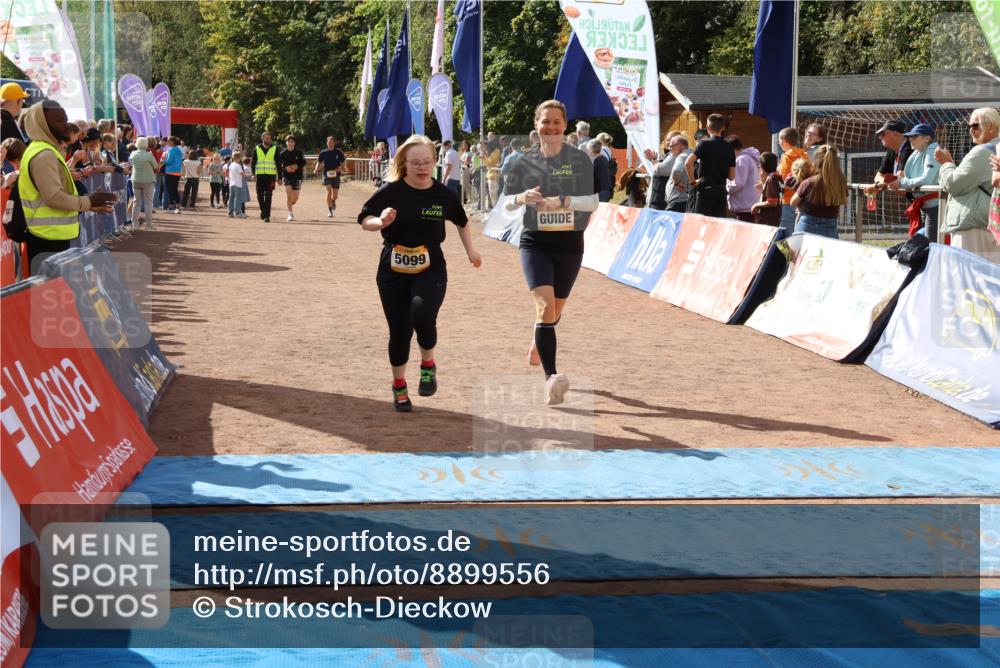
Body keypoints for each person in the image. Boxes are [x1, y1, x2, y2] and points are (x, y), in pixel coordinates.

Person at [357, 135, 482, 412]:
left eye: (427, 162)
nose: (423, 167)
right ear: (404, 163)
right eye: (416, 163)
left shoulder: (443, 194)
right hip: (393, 267)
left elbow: (462, 221)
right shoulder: (391, 191)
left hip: (430, 265)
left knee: (422, 314)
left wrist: (470, 251)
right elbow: (364, 218)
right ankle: (399, 385)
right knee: (399, 331)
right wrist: (381, 221)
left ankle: (428, 365)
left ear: (434, 162)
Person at [506, 100, 598, 405]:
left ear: (565, 125)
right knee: (545, 309)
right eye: (546, 121)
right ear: (536, 124)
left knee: (554, 313)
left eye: (557, 122)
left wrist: (563, 201)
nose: (551, 127)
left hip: (570, 246)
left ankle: (538, 337)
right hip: (536, 244)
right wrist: (522, 197)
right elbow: (506, 202)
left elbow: (593, 203)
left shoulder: (580, 160)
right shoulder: (522, 162)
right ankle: (551, 379)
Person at [17, 100, 116, 269]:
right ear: (42, 124)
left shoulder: (44, 150)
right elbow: (53, 197)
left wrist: (88, 204)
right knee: (48, 292)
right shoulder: (44, 154)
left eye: (65, 119)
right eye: (59, 121)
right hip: (46, 237)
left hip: (49, 235)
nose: (65, 125)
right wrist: (88, 202)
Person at [935, 107, 1000, 261]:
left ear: (991, 126)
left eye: (975, 126)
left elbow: (953, 184)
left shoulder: (982, 152)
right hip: (988, 224)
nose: (971, 130)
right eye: (969, 126)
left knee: (969, 277)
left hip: (974, 228)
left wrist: (945, 164)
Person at [886, 123, 940, 237]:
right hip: (925, 205)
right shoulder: (918, 152)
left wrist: (902, 182)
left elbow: (927, 179)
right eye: (909, 137)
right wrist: (897, 181)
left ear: (927, 138)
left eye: (915, 136)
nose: (910, 139)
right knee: (922, 243)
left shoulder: (933, 151)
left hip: (936, 207)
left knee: (931, 245)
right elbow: (908, 176)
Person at [789, 145, 848, 239]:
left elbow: (793, 202)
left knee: (803, 253)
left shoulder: (809, 183)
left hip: (807, 226)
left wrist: (802, 206)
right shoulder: (841, 183)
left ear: (817, 161)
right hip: (830, 227)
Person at [685, 113, 736, 217]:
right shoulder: (729, 147)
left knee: (702, 225)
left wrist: (693, 182)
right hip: (721, 191)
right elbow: (731, 176)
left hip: (705, 190)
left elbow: (688, 163)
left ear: (707, 128)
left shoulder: (703, 144)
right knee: (718, 225)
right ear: (723, 128)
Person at [775, 127, 809, 232]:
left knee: (786, 233)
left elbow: (785, 179)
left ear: (784, 141)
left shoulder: (786, 156)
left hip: (789, 198)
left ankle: (784, 249)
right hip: (803, 199)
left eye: (779, 141)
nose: (779, 143)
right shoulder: (804, 154)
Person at [725, 135, 761, 222]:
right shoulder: (750, 157)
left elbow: (738, 182)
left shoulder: (740, 159)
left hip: (744, 204)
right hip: (751, 202)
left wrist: (726, 188)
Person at [129, 137, 159, 229]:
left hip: (135, 180)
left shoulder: (133, 154)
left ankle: (135, 224)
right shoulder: (148, 155)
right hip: (148, 180)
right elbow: (155, 166)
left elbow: (131, 164)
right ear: (146, 144)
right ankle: (148, 225)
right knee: (148, 203)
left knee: (136, 202)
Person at [315, 136, 346, 217]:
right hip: (326, 174)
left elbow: (343, 162)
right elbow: (319, 162)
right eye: (329, 142)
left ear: (334, 143)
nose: (331, 144)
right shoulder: (323, 153)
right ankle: (329, 210)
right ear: (327, 143)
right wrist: (316, 169)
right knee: (329, 191)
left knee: (335, 196)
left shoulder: (338, 152)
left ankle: (333, 201)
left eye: (332, 142)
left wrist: (341, 168)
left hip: (336, 175)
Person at [277, 134, 306, 221]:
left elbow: (303, 162)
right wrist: (286, 168)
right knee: (288, 195)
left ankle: (291, 203)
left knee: (295, 198)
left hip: (297, 177)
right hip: (287, 177)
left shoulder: (299, 152)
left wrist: (297, 166)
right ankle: (290, 213)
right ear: (286, 143)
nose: (290, 143)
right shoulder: (282, 154)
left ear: (295, 143)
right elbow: (279, 165)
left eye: (292, 141)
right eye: (289, 141)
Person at [750, 151, 782, 226]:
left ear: (763, 166)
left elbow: (772, 202)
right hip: (771, 219)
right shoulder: (774, 177)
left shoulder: (771, 179)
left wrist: (756, 205)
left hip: (769, 221)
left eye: (759, 166)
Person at [251, 131, 277, 223]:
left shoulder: (275, 148)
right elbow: (253, 163)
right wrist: (253, 174)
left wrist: (280, 177)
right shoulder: (257, 149)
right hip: (260, 176)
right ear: (262, 138)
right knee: (260, 195)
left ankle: (267, 216)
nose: (268, 140)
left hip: (271, 176)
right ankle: (263, 210)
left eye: (269, 138)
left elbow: (278, 163)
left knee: (269, 195)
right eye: (266, 138)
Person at [664, 135, 694, 213]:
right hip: (684, 200)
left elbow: (676, 170)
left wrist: (677, 183)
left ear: (681, 146)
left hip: (678, 201)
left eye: (671, 146)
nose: (670, 149)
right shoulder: (692, 155)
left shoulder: (682, 156)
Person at [161, 136, 184, 214]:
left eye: (168, 141)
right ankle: (172, 207)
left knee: (171, 190)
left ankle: (176, 207)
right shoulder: (179, 150)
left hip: (170, 172)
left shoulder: (171, 150)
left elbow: (169, 161)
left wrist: (163, 161)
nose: (167, 142)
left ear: (172, 142)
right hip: (177, 172)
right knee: (173, 189)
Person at [227, 151, 247, 218]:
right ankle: (238, 213)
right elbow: (242, 174)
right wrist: (249, 175)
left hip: (231, 184)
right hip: (237, 184)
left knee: (231, 198)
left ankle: (230, 213)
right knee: (237, 199)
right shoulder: (238, 166)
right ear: (239, 158)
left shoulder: (231, 164)